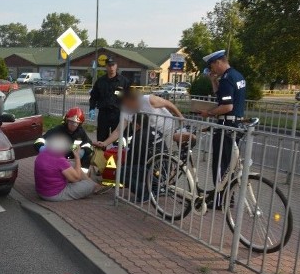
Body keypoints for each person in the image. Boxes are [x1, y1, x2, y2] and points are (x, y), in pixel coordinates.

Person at [198, 49, 246, 200]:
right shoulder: (237, 75)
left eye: (212, 66)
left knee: (220, 164)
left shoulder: (226, 79)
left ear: (218, 62)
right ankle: (227, 197)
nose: (212, 70)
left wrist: (209, 113)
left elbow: (226, 106)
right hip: (235, 124)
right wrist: (213, 81)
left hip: (226, 125)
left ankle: (219, 199)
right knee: (229, 165)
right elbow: (221, 96)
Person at [94, 88, 194, 149]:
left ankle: (167, 179)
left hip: (166, 127)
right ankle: (181, 135)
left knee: (164, 153)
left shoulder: (148, 99)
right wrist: (104, 143)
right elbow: (118, 131)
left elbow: (168, 104)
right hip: (151, 133)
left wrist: (180, 117)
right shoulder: (125, 109)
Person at [34, 133, 101, 201]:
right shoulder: (59, 159)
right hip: (54, 194)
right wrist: (77, 157)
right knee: (89, 185)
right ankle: (93, 186)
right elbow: (76, 179)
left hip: (41, 191)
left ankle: (94, 185)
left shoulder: (43, 152)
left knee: (71, 164)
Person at [89, 56, 131, 141]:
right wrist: (92, 108)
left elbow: (129, 97)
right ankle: (101, 154)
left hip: (118, 113)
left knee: (118, 139)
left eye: (113, 65)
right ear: (106, 67)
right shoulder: (100, 81)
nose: (111, 67)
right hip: (103, 113)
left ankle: (116, 154)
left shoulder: (124, 81)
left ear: (116, 66)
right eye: (109, 65)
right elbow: (94, 96)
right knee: (101, 139)